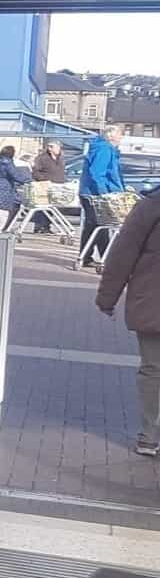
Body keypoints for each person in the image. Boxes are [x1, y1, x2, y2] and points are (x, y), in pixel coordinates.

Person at [98, 189, 160, 458]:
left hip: (153, 304)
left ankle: (149, 435)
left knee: (153, 370)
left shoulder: (151, 206)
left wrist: (107, 298)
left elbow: (123, 253)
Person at [81, 126, 126, 269]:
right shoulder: (104, 149)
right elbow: (97, 172)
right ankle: (105, 258)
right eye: (120, 134)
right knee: (102, 224)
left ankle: (86, 256)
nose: (121, 138)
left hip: (90, 192)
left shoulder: (105, 148)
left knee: (93, 225)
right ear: (111, 136)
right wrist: (104, 193)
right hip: (95, 193)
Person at [0, 145, 32, 233]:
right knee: (2, 212)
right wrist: (28, 179)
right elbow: (16, 176)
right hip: (1, 191)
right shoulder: (7, 163)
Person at [31, 141, 65, 233]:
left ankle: (47, 226)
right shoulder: (42, 159)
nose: (59, 149)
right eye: (57, 147)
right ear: (50, 148)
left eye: (59, 147)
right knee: (42, 207)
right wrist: (44, 180)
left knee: (51, 207)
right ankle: (39, 226)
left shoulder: (60, 158)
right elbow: (35, 172)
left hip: (56, 187)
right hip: (44, 187)